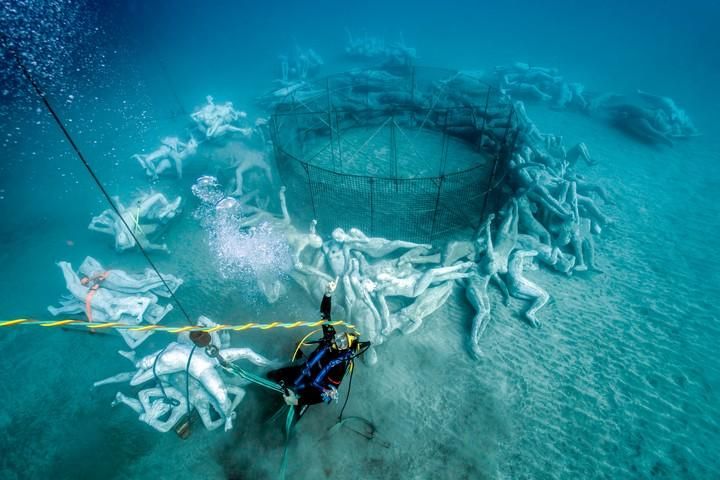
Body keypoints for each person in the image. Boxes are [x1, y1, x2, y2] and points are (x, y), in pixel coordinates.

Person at [267, 279, 370, 417]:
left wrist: (297, 402)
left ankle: (298, 407)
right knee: (273, 375)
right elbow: (324, 314)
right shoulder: (330, 336)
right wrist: (328, 294)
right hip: (303, 371)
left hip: (314, 388)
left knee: (296, 406)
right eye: (340, 336)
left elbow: (325, 395)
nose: (336, 340)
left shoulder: (339, 367)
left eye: (342, 343)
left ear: (345, 349)